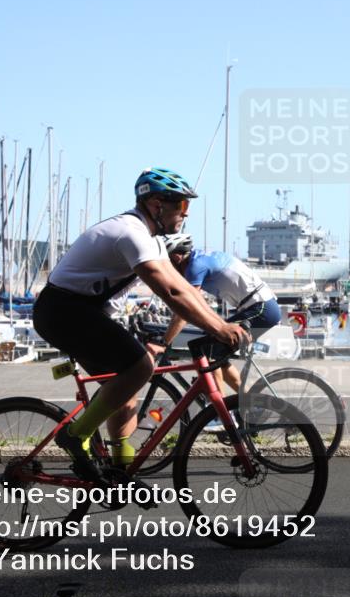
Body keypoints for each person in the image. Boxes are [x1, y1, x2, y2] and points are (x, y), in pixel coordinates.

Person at [31, 168, 248, 478]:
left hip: (79, 312)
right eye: (182, 206)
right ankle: (75, 436)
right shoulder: (131, 233)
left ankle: (119, 470)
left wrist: (219, 323)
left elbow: (184, 288)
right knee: (141, 367)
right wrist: (219, 330)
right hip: (63, 310)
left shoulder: (153, 239)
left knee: (124, 387)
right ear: (157, 205)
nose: (185, 214)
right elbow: (169, 291)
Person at [152, 233, 281, 394]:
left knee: (208, 352)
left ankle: (218, 410)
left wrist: (164, 342)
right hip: (257, 305)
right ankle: (249, 400)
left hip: (262, 308)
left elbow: (185, 310)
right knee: (215, 354)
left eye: (168, 263)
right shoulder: (198, 259)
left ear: (177, 257)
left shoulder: (195, 266)